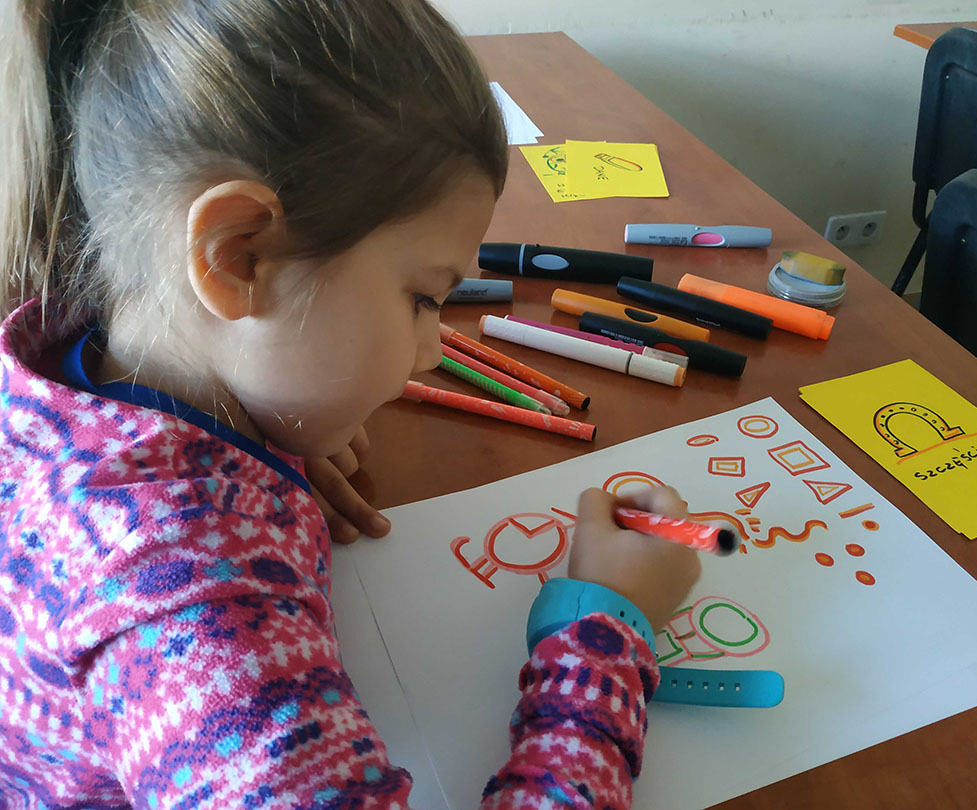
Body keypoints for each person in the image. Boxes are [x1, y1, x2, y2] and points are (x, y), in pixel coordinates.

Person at [0, 0, 701, 806]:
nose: (434, 349)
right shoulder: (192, 628)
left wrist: (262, 458)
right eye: (423, 298)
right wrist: (606, 632)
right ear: (238, 258)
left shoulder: (68, 364)